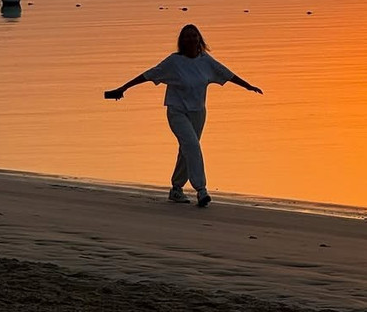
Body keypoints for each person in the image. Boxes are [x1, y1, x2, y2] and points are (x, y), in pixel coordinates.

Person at [104, 24, 262, 207]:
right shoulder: (174, 61)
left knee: (187, 150)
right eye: (187, 36)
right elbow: (149, 74)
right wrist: (124, 88)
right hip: (177, 111)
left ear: (199, 39)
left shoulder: (205, 60)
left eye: (194, 36)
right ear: (181, 41)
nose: (191, 39)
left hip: (198, 112)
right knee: (192, 146)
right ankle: (201, 190)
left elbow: (225, 73)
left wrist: (248, 86)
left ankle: (176, 189)